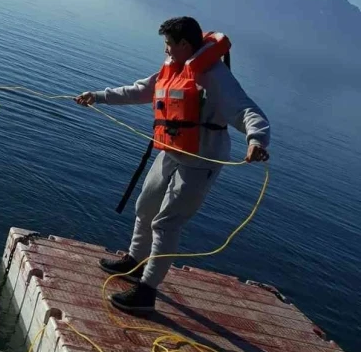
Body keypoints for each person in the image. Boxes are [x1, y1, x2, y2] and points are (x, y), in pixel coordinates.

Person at [75, 16, 270, 314]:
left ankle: (147, 292)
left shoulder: (215, 75)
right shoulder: (173, 67)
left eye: (169, 44)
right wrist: (99, 97)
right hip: (172, 150)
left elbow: (245, 110)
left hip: (201, 159)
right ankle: (135, 261)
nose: (165, 50)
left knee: (166, 223)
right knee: (146, 205)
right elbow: (140, 90)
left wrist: (256, 140)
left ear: (184, 44)